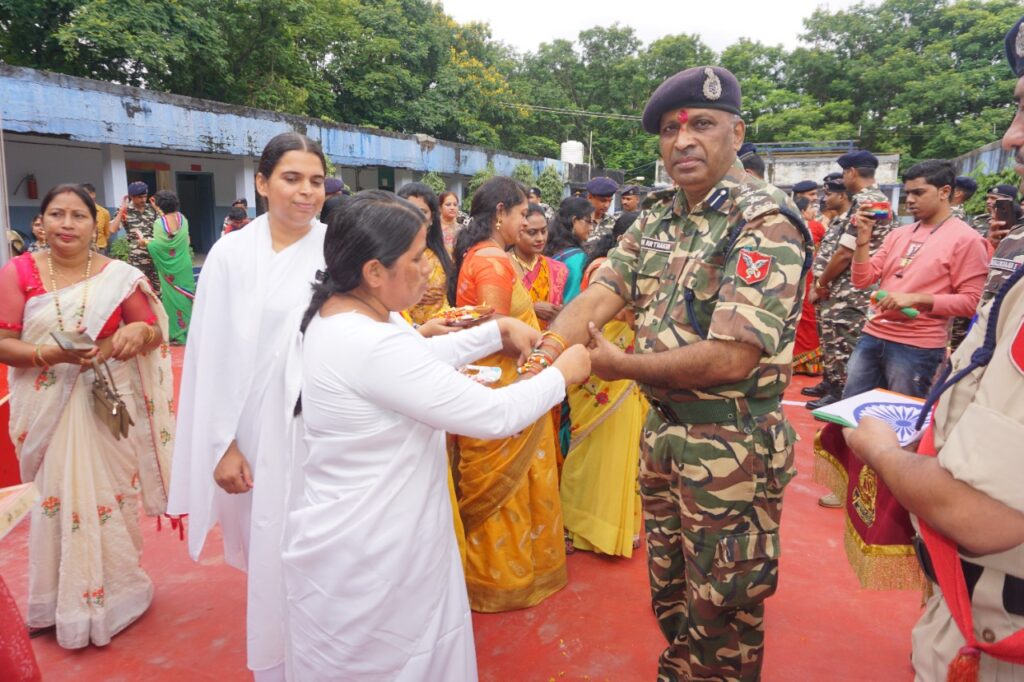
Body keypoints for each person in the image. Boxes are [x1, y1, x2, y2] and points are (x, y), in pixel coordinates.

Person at [539, 65, 812, 681]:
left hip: (732, 445)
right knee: (670, 590)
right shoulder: (659, 215)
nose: (683, 140)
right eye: (670, 130)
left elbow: (733, 356)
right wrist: (544, 353)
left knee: (724, 605)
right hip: (664, 434)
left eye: (703, 125)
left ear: (737, 133)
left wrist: (619, 365)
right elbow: (602, 291)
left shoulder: (764, 218)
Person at [282, 191, 589, 680]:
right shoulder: (370, 341)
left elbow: (414, 360)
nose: (430, 270)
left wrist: (496, 332)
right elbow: (493, 415)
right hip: (378, 546)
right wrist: (562, 376)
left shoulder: (346, 314)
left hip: (365, 531)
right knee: (394, 662)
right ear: (373, 271)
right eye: (416, 258)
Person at [168, 132, 328, 681]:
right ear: (261, 183)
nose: (306, 193)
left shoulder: (338, 248)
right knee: (271, 551)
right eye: (291, 178)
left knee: (322, 555)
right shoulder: (231, 255)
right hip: (255, 433)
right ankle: (280, 665)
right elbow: (210, 355)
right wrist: (223, 444)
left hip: (323, 431)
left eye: (315, 181)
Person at [0, 184, 172, 649]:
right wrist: (47, 354)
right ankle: (57, 601)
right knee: (55, 498)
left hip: (103, 401)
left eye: (79, 215)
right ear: (40, 223)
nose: (67, 224)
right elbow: (3, 341)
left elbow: (154, 331)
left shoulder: (118, 275)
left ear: (94, 224)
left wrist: (138, 331)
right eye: (57, 214)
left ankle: (118, 593)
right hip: (46, 405)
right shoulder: (19, 272)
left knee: (111, 494)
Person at [448, 176, 568, 612]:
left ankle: (506, 572)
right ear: (500, 213)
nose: (526, 222)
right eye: (521, 214)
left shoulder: (478, 255)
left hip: (498, 376)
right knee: (511, 486)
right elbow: (493, 330)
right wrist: (540, 356)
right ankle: (502, 578)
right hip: (505, 379)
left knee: (519, 483)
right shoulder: (494, 262)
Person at [843, 159, 989, 399]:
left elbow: (972, 302)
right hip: (872, 335)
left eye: (918, 193)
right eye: (908, 193)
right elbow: (862, 280)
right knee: (851, 414)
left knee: (899, 425)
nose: (909, 200)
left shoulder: (967, 240)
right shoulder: (898, 234)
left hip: (917, 347)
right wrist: (862, 239)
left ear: (944, 192)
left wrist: (916, 299)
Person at [559, 210, 646, 557]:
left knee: (623, 452)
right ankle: (577, 523)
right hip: (599, 372)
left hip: (629, 372)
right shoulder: (603, 270)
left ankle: (613, 525)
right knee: (591, 450)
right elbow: (625, 314)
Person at [806, 150, 893, 412]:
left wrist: (821, 283)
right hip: (845, 288)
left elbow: (845, 252)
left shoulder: (867, 202)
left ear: (852, 172)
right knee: (836, 343)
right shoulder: (866, 201)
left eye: (845, 173)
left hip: (852, 289)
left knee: (846, 345)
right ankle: (835, 389)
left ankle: (844, 399)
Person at [802, 175, 851, 400]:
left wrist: (820, 283)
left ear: (842, 195)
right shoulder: (837, 222)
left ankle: (839, 390)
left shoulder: (850, 220)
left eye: (829, 194)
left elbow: (842, 256)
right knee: (828, 340)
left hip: (839, 292)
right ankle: (830, 382)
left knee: (841, 343)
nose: (824, 198)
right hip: (826, 292)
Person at [397, 183, 454, 325]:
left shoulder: (444, 253)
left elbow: (446, 296)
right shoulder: (389, 253)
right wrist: (414, 295)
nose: (415, 217)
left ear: (432, 218)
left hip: (443, 327)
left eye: (422, 212)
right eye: (409, 210)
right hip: (407, 330)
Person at [147, 190, 196, 344]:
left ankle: (177, 334)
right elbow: (182, 240)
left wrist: (145, 242)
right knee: (186, 298)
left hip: (169, 270)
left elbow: (159, 245)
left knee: (172, 299)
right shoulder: (183, 219)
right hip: (184, 265)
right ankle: (189, 332)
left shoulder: (159, 224)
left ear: (160, 206)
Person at [511, 203, 568, 328]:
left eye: (544, 231)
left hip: (547, 341)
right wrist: (531, 308)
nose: (540, 238)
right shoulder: (503, 264)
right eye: (532, 232)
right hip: (514, 339)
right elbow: (494, 310)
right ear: (516, 231)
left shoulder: (556, 268)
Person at [792, 196, 827, 375]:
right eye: (812, 207)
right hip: (811, 276)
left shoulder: (790, 224)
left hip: (794, 276)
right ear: (804, 211)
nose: (814, 210)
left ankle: (795, 361)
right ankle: (810, 364)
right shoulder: (816, 227)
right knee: (809, 317)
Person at [110, 181, 160, 294]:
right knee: (139, 291)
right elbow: (112, 229)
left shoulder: (151, 209)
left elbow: (164, 227)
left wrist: (158, 209)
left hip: (154, 256)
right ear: (131, 197)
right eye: (139, 197)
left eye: (145, 196)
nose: (143, 200)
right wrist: (121, 211)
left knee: (158, 292)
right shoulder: (125, 211)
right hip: (137, 260)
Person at [545, 197, 594, 303]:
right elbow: (573, 301)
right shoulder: (577, 259)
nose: (591, 228)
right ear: (574, 221)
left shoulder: (548, 246)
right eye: (588, 222)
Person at [584, 176, 618, 244]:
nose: (607, 205)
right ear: (590, 197)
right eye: (603, 201)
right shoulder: (579, 221)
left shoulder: (614, 222)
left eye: (610, 201)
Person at [81, 184, 111, 252]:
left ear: (93, 194)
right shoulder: (77, 213)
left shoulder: (104, 212)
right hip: (82, 250)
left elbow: (107, 233)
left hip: (100, 249)